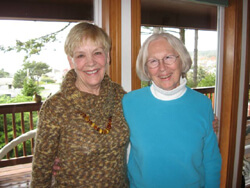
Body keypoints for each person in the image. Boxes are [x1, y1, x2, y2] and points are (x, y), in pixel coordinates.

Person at [30, 22, 130, 187]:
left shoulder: (121, 97)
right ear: (71, 61)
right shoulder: (56, 107)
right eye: (81, 55)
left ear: (108, 56)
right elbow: (41, 172)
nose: (91, 62)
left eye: (97, 53)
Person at [122, 33, 222, 188]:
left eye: (168, 57)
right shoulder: (130, 103)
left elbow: (211, 160)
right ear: (146, 70)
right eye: (153, 61)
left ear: (181, 60)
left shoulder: (203, 104)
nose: (162, 68)